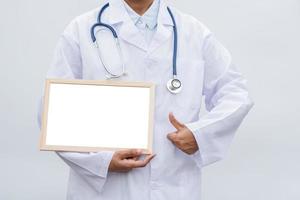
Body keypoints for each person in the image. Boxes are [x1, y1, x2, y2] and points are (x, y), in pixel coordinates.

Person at [37, 0, 254, 199]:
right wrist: (101, 162)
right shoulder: (80, 30)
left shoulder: (193, 32)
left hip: (174, 185)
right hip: (105, 190)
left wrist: (199, 134)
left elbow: (236, 93)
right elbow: (52, 112)